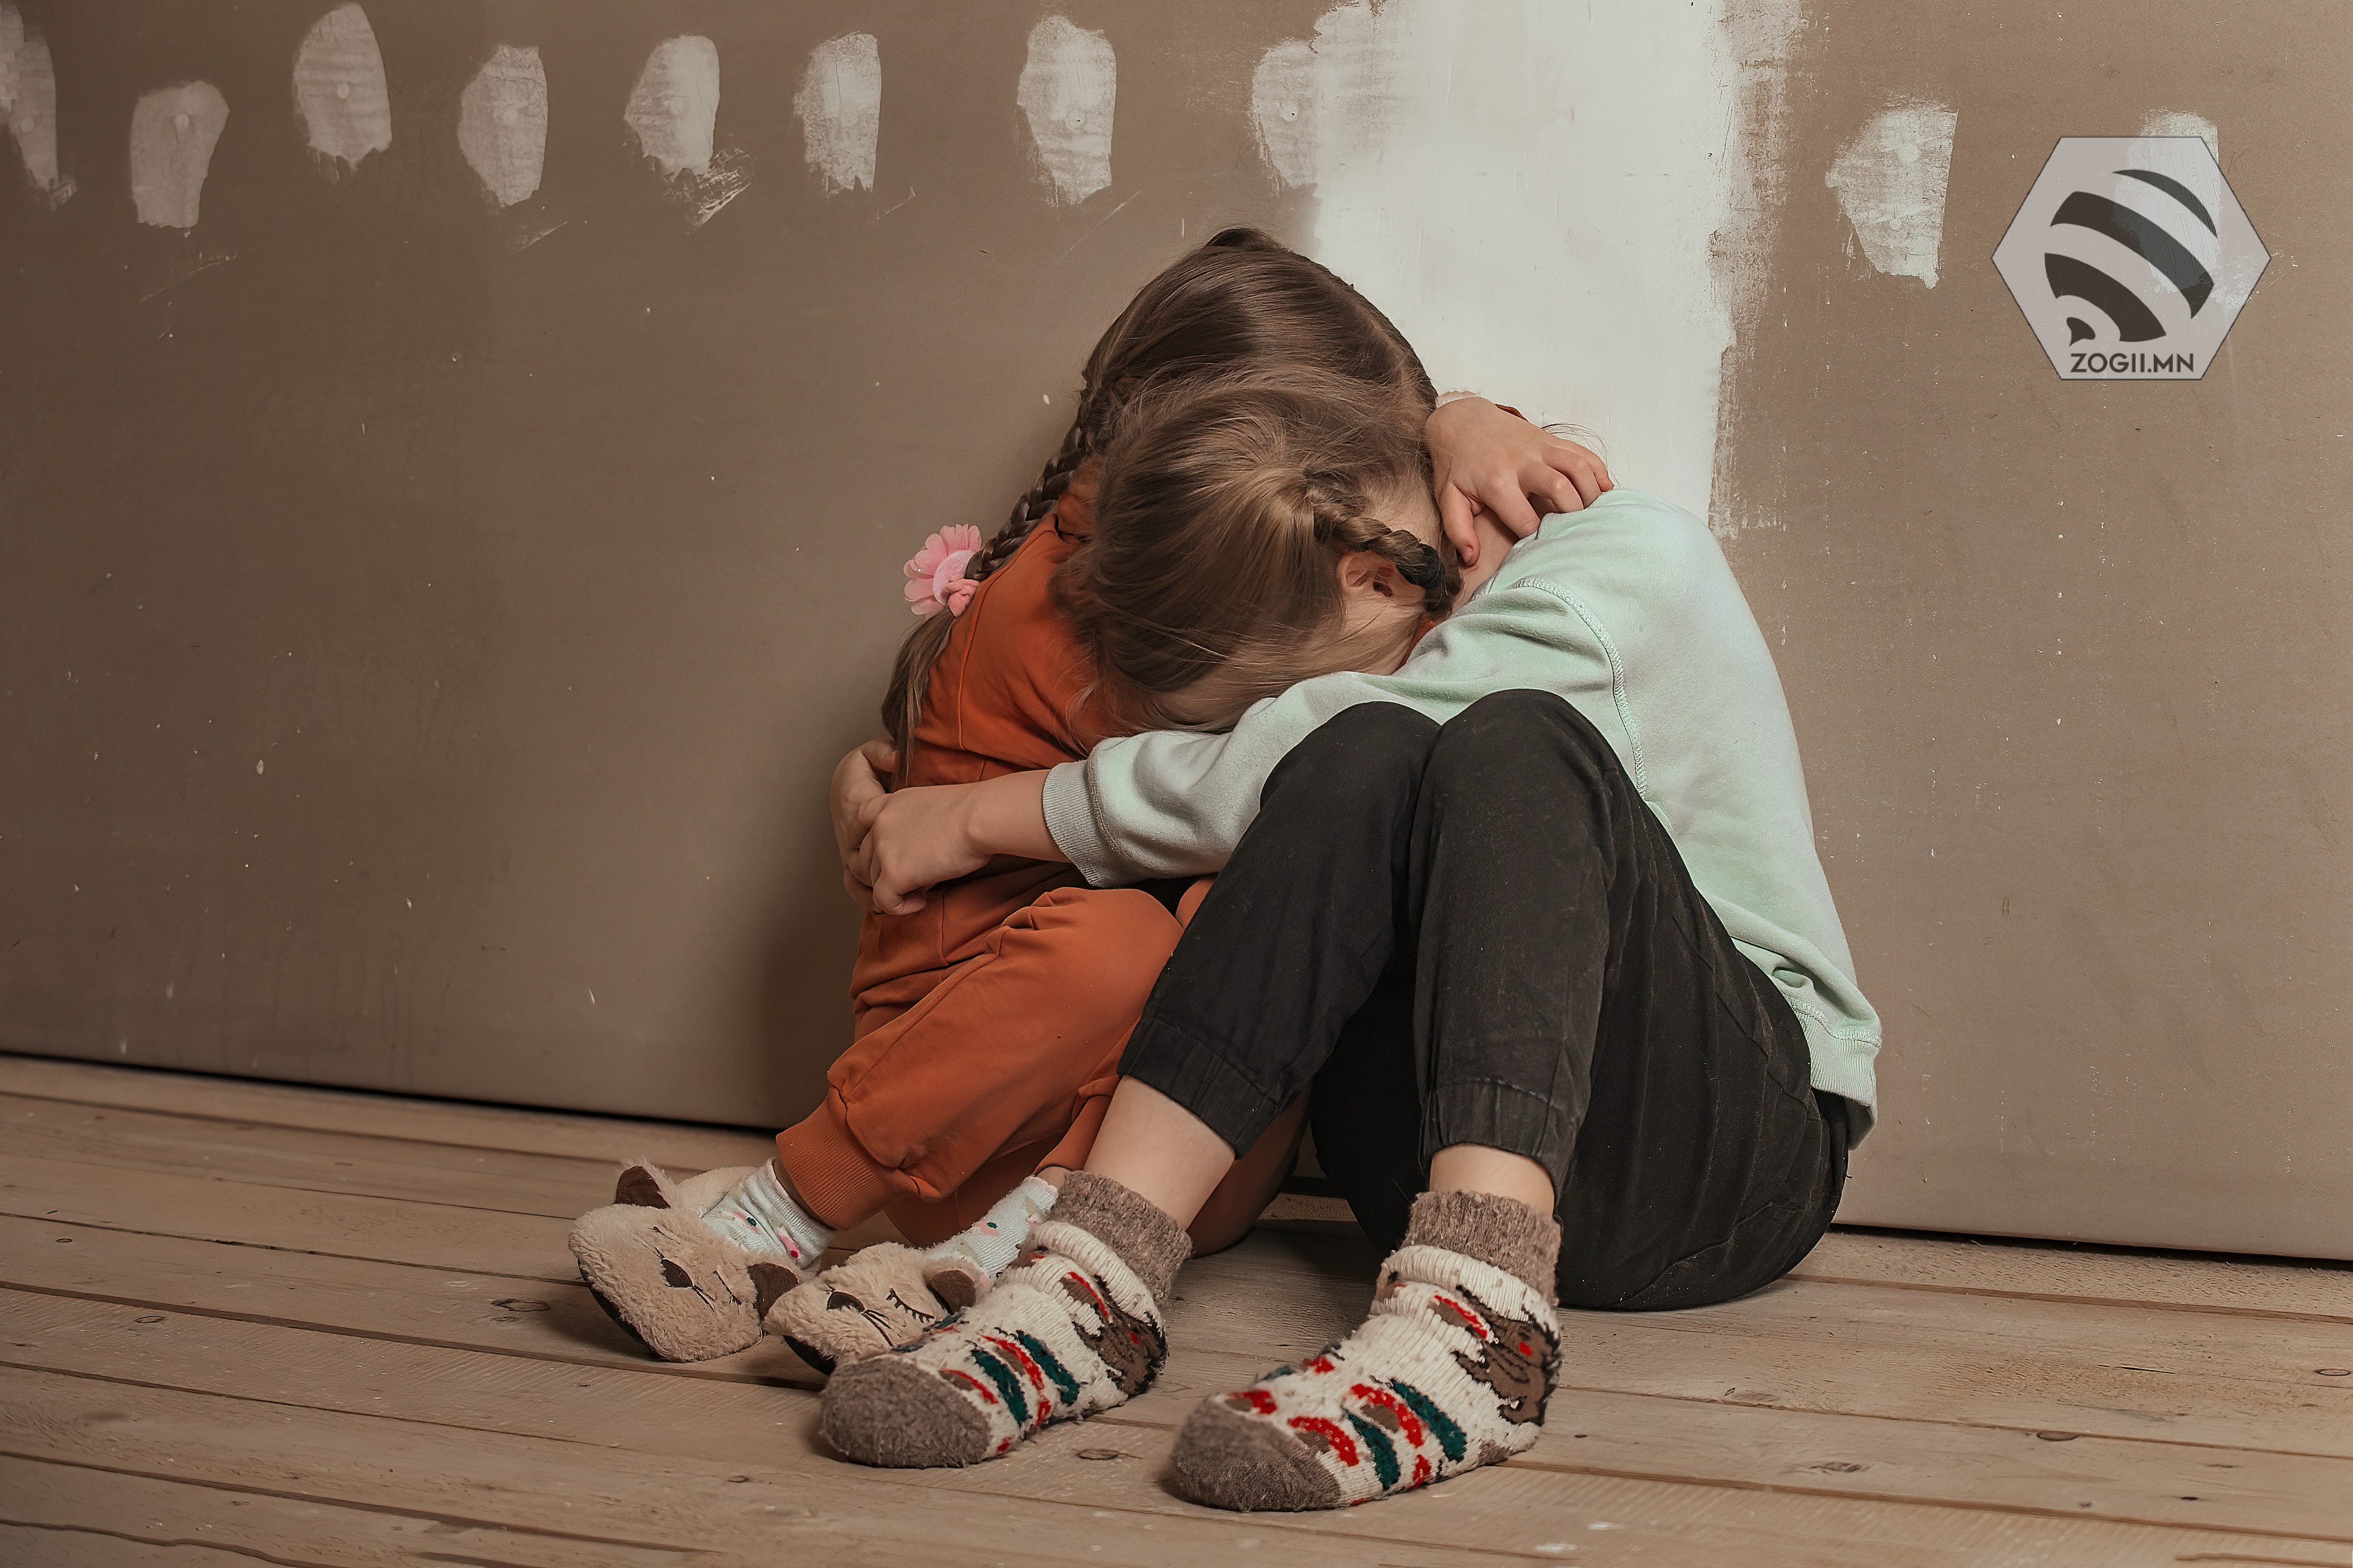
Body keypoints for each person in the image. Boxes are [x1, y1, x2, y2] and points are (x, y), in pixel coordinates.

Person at [815, 370, 1879, 1512]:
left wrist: (980, 816)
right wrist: (1455, 418)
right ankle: (1095, 1280)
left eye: (1280, 690)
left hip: (1723, 1165)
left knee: (1504, 742)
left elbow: (1262, 762)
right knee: (1361, 750)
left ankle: (1478, 1331)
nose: (1270, 715)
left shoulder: (1625, 566)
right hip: (1414, 1167)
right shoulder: (1397, 546)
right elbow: (1329, 489)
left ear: (1375, 574)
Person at [564, 230, 1611, 1371]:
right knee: (1141, 927)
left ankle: (1013, 1250)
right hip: (952, 1111)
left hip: (1169, 1171)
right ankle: (784, 1208)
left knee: (1256, 911)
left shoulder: (1250, 581)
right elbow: (1255, 777)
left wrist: (1462, 421)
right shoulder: (1102, 614)